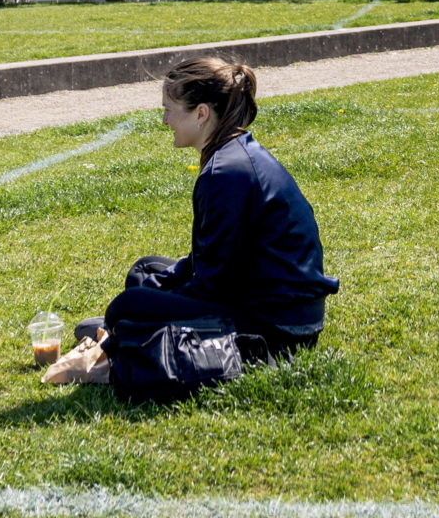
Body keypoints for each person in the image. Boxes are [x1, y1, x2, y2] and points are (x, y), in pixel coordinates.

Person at [77, 56, 337, 363]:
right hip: (271, 301)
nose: (164, 121)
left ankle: (123, 332)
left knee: (126, 306)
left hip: (277, 327)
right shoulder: (235, 153)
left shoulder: (226, 173)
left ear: (201, 113)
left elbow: (214, 286)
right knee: (146, 270)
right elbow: (212, 260)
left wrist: (154, 302)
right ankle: (128, 327)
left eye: (168, 110)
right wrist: (162, 288)